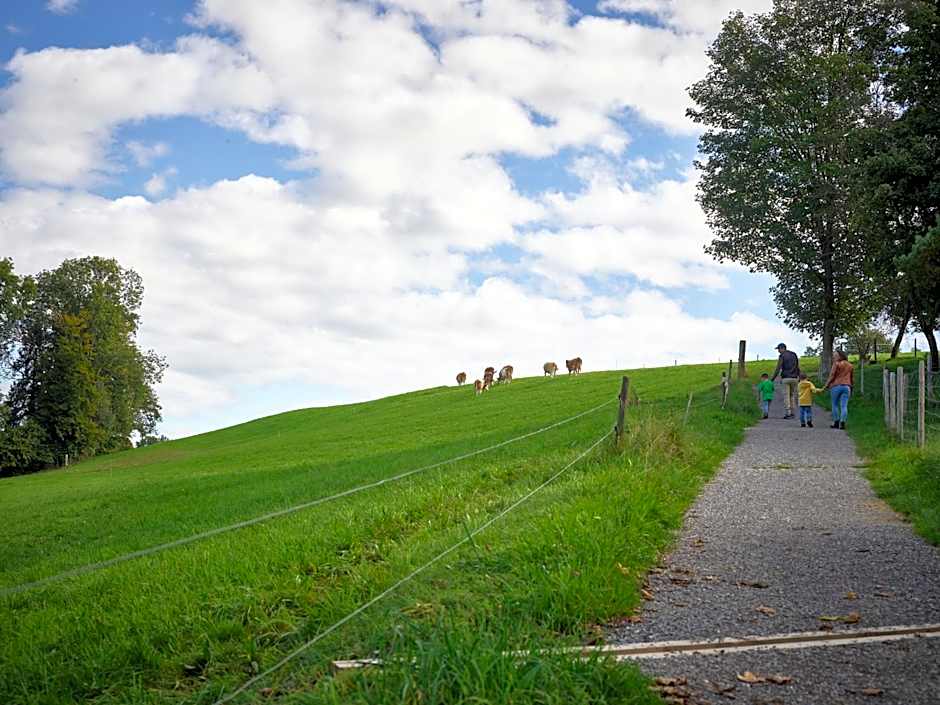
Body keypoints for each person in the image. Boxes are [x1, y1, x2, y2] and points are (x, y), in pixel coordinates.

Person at [825, 350, 854, 429]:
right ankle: (843, 423)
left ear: (840, 356)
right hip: (847, 386)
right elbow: (851, 378)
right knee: (844, 406)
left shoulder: (836, 364)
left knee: (834, 405)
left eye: (835, 355)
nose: (834, 357)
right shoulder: (850, 365)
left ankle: (836, 422)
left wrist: (827, 384)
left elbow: (832, 375)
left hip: (836, 386)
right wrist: (851, 387)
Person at [771, 343, 800, 419]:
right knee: (792, 395)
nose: (778, 351)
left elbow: (778, 368)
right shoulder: (794, 354)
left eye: (778, 349)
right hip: (794, 378)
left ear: (782, 348)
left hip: (786, 378)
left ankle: (788, 413)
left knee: (786, 396)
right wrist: (799, 376)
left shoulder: (782, 356)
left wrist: (772, 379)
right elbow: (797, 366)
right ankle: (793, 412)